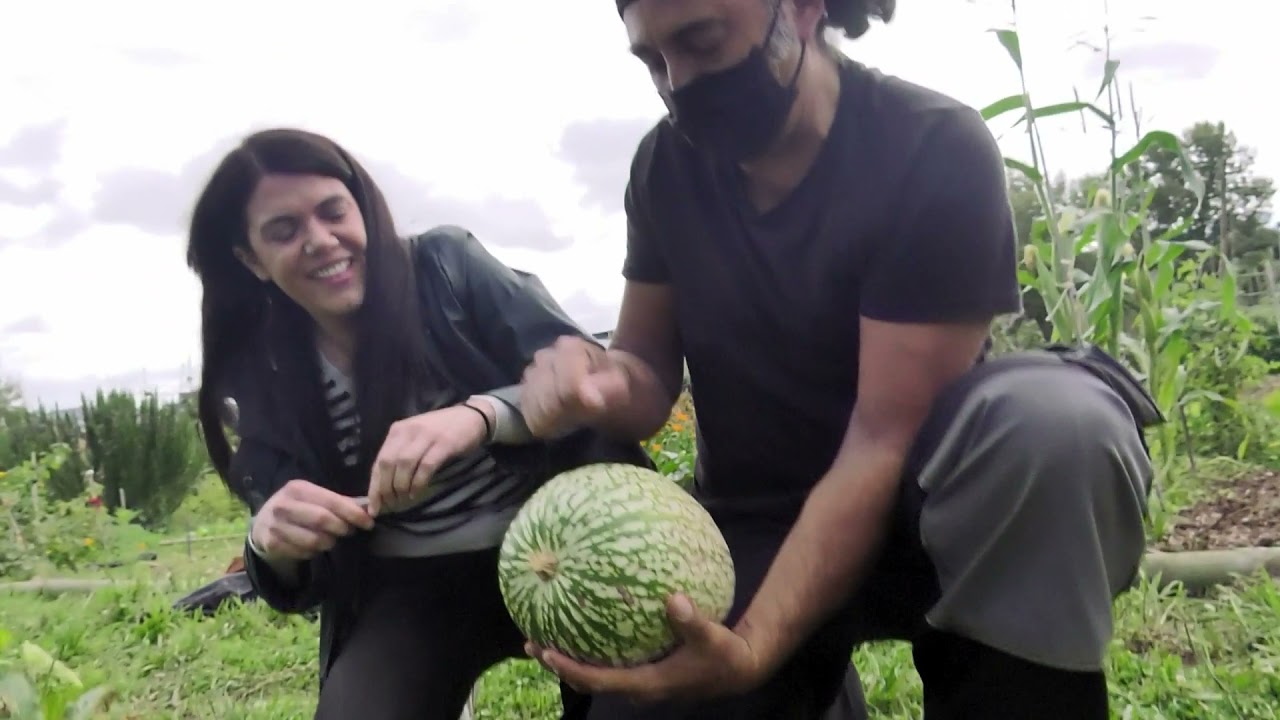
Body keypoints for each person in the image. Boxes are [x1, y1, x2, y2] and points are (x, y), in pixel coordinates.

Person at [515, 0, 1163, 718]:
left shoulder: (929, 146)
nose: (677, 82)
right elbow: (646, 366)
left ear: (799, 8)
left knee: (1054, 425)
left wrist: (757, 645)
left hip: (934, 518)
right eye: (652, 61)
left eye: (700, 40)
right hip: (755, 522)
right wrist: (604, 385)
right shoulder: (666, 166)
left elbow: (883, 437)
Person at [184, 127, 654, 720]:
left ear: (363, 211)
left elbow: (583, 371)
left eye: (333, 213)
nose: (321, 241)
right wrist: (270, 542)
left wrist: (479, 416)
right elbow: (279, 536)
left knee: (644, 705)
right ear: (251, 259)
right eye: (284, 230)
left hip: (568, 544)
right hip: (411, 582)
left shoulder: (446, 267)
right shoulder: (261, 373)